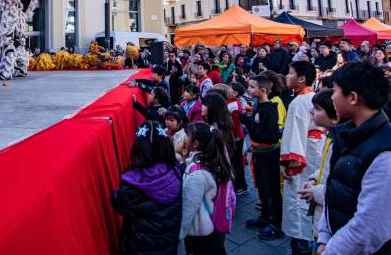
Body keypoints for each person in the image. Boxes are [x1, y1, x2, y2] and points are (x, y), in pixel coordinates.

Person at [316, 62, 391, 255]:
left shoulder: (389, 154)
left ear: (352, 98)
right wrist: (324, 236)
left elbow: (370, 230)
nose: (331, 96)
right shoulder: (349, 135)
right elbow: (334, 192)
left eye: (334, 91)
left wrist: (331, 250)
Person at [111, 120, 182, 255]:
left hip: (140, 248)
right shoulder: (175, 171)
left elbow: (117, 201)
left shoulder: (133, 184)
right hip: (168, 245)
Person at [280, 61, 324, 255]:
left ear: (302, 78)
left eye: (290, 73)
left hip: (303, 152)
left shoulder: (299, 102)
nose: (287, 76)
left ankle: (301, 247)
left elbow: (295, 134)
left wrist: (290, 163)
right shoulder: (313, 97)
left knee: (298, 201)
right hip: (315, 149)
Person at [241, 76, 284, 240]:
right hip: (260, 154)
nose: (249, 89)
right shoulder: (260, 107)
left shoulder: (269, 109)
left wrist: (247, 120)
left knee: (271, 189)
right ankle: (266, 216)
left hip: (269, 155)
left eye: (252, 87)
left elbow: (266, 136)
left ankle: (276, 223)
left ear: (263, 90)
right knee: (262, 186)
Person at [179, 122, 232, 255]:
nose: (184, 138)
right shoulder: (211, 159)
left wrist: (180, 234)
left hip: (201, 232)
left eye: (187, 135)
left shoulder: (197, 175)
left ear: (195, 143)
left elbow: (189, 209)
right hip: (214, 226)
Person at [297, 90, 339, 242]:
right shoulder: (331, 137)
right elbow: (324, 167)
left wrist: (316, 191)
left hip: (328, 222)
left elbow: (342, 191)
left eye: (317, 108)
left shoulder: (340, 144)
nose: (311, 111)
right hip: (320, 216)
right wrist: (315, 179)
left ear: (335, 117)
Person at [260, 70, 288, 137]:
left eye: (261, 82)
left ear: (271, 85)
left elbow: (279, 127)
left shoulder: (276, 102)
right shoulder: (264, 100)